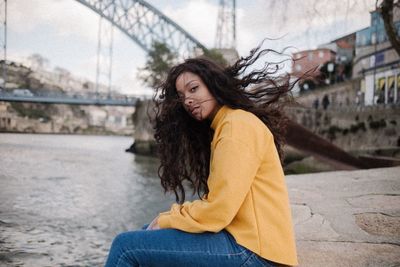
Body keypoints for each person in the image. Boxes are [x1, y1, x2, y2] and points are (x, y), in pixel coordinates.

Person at [104, 44, 298, 267]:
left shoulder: (235, 127)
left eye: (193, 89)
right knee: (145, 235)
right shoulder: (229, 124)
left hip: (255, 253)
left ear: (213, 85)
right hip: (253, 245)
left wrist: (168, 217)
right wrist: (169, 220)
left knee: (125, 247)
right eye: (181, 95)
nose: (187, 100)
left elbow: (219, 211)